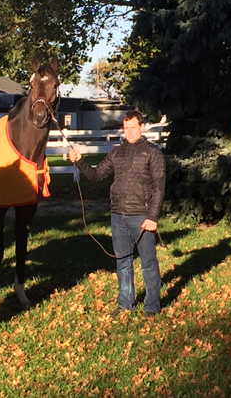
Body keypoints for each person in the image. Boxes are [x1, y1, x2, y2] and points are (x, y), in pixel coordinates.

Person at [68, 110, 166, 317]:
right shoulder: (116, 153)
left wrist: (153, 217)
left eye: (133, 127)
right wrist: (80, 161)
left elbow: (159, 187)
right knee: (122, 262)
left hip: (142, 216)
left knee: (148, 263)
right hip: (118, 215)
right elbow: (96, 175)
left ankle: (151, 306)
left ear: (142, 127)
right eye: (126, 128)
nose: (129, 132)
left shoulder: (153, 153)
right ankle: (125, 303)